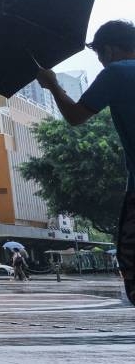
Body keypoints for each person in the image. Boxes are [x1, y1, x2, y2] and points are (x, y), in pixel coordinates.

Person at [37, 20, 135, 303]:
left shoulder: (117, 73)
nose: (102, 62)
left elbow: (76, 116)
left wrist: (52, 85)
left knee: (130, 257)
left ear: (110, 50)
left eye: (100, 56)